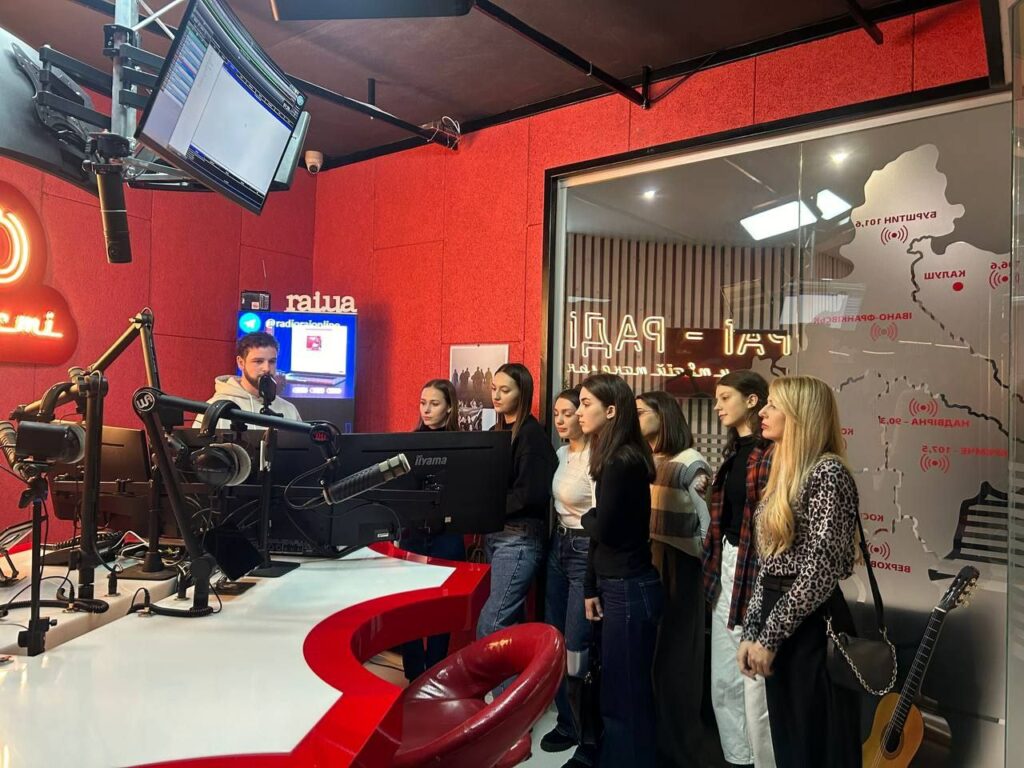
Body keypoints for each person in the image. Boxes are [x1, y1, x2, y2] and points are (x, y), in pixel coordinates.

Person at [738, 376, 860, 768]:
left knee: (815, 746)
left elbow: (819, 570)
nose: (763, 411)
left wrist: (769, 636)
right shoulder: (784, 471)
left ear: (800, 415)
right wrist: (752, 631)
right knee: (790, 744)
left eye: (773, 405)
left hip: (811, 626)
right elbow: (768, 565)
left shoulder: (829, 474)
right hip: (782, 621)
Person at [577, 373, 662, 768]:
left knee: (626, 698)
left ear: (611, 411)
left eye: (586, 404)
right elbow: (602, 531)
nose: (579, 413)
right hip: (616, 584)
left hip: (629, 587)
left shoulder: (622, 461)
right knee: (617, 693)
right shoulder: (611, 456)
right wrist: (590, 587)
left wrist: (587, 518)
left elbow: (604, 529)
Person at [702, 370, 775, 768]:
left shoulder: (770, 454)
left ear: (752, 400)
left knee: (752, 677)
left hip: (754, 568)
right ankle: (737, 757)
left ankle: (759, 758)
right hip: (726, 564)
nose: (718, 406)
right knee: (723, 676)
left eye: (725, 397)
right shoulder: (735, 452)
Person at [637, 390, 711, 768]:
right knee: (656, 656)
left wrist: (704, 565)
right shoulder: (648, 459)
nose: (634, 419)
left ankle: (682, 747)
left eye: (640, 412)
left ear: (662, 416)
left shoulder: (689, 462)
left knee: (678, 656)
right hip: (651, 557)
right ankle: (660, 741)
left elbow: (708, 522)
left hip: (681, 564)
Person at [476, 363, 557, 643]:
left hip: (518, 538)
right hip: (498, 535)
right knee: (508, 626)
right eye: (493, 388)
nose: (496, 395)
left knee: (492, 624)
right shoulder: (498, 431)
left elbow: (530, 495)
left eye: (505, 390)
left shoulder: (531, 436)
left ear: (522, 393)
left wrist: (486, 506)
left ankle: (494, 675)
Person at [540, 387, 597, 768]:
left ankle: (586, 732)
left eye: (567, 412)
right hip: (557, 544)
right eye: (557, 413)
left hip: (584, 548)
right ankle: (567, 721)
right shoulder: (561, 454)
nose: (560, 419)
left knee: (578, 644)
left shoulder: (597, 457)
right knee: (555, 637)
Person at [398, 379, 466, 681]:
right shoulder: (411, 442)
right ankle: (414, 674)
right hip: (413, 534)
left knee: (442, 609)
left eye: (434, 403)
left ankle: (434, 673)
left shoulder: (462, 444)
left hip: (446, 535)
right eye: (423, 402)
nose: (426, 409)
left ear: (449, 407)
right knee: (409, 607)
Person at [194, 331, 300, 429]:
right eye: (258, 361)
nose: (267, 368)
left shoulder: (289, 410)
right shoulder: (214, 408)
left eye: (272, 361)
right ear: (241, 363)